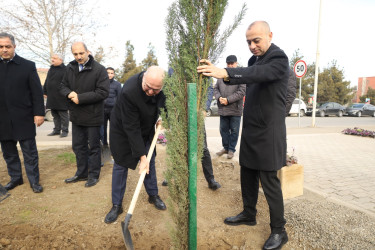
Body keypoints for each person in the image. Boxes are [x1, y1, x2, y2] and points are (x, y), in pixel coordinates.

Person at [197, 21, 289, 250]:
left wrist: (225, 72)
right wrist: (226, 75)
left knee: (269, 181)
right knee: (247, 172)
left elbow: (258, 74)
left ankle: (279, 230)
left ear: (270, 35)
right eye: (248, 41)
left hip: (269, 130)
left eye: (256, 40)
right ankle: (249, 214)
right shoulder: (253, 60)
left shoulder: (279, 59)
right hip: (251, 128)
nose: (252, 46)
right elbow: (251, 72)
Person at [104, 66, 167, 224]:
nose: (151, 92)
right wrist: (141, 156)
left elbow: (165, 105)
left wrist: (163, 117)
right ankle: (116, 205)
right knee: (120, 165)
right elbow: (131, 127)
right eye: (148, 87)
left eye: (156, 89)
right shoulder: (129, 91)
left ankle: (153, 195)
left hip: (146, 128)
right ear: (144, 77)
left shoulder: (160, 88)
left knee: (149, 163)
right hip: (123, 130)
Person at [60, 42, 109, 188]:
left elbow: (103, 92)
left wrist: (80, 98)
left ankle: (93, 175)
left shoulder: (99, 69)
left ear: (88, 52)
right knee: (78, 146)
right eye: (75, 54)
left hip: (93, 116)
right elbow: (62, 86)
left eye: (81, 53)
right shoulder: (70, 67)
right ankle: (81, 173)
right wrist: (69, 93)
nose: (79, 57)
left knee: (93, 147)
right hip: (76, 115)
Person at [0, 32, 44, 193]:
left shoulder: (27, 66)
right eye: (1, 47)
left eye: (7, 46)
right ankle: (16, 178)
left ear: (14, 47)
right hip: (2, 119)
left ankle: (34, 181)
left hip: (23, 117)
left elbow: (37, 92)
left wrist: (39, 113)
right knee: (9, 153)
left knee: (30, 153)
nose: (4, 50)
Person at [214, 55, 246, 159]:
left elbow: (241, 92)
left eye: (232, 63)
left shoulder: (240, 76)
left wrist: (228, 100)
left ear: (236, 63)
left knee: (234, 130)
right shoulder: (221, 76)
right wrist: (219, 98)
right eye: (229, 63)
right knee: (223, 129)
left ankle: (231, 149)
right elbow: (215, 89)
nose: (230, 65)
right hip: (223, 108)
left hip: (235, 109)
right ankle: (226, 147)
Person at [43, 54, 69, 137]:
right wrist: (44, 91)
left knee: (63, 115)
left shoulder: (66, 69)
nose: (52, 59)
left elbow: (68, 83)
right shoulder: (51, 68)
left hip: (61, 96)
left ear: (60, 60)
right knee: (54, 114)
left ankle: (65, 131)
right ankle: (57, 130)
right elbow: (47, 80)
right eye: (52, 58)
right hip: (51, 96)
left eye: (55, 58)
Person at [101, 67, 122, 146]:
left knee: (113, 129)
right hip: (102, 109)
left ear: (114, 74)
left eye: (111, 73)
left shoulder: (117, 84)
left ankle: (113, 145)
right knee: (102, 128)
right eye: (108, 73)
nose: (109, 75)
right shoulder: (101, 83)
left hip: (113, 110)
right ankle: (104, 144)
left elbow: (120, 97)